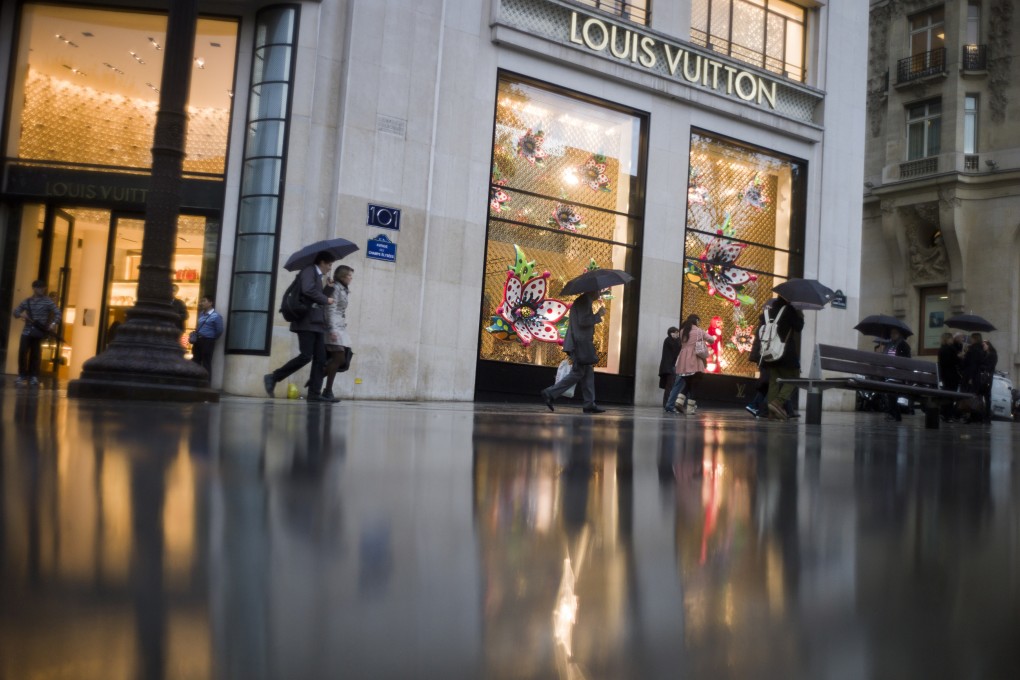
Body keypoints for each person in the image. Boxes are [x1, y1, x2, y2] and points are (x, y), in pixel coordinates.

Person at [264, 251, 336, 402]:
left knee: (320, 358)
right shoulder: (309, 271)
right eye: (329, 265)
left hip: (315, 323)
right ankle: (274, 377)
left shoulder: (316, 275)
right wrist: (325, 298)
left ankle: (314, 394)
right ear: (322, 262)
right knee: (306, 356)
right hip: (305, 322)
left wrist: (328, 289)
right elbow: (307, 290)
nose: (329, 268)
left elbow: (313, 297)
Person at [541, 290, 606, 414]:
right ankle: (550, 392)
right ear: (591, 289)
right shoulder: (584, 301)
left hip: (581, 344)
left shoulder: (584, 301)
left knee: (587, 373)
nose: (599, 294)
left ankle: (589, 403)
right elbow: (583, 321)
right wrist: (599, 315)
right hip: (579, 344)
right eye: (597, 291)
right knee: (578, 373)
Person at [760, 295, 804, 421]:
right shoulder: (789, 310)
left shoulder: (768, 311)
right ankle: (778, 402)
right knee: (794, 377)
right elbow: (799, 327)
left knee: (774, 380)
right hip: (785, 351)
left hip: (769, 351)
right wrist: (799, 314)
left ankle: (771, 413)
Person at [12, 279, 60, 387]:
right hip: (27, 331)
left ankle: (34, 376)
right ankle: (22, 375)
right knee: (22, 352)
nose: (41, 289)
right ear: (34, 288)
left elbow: (58, 313)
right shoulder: (27, 301)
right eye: (39, 287)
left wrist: (53, 324)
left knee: (36, 354)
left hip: (38, 331)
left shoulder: (48, 301)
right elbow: (15, 312)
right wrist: (21, 315)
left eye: (43, 287)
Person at [321, 264, 354, 402]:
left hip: (340, 327)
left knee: (343, 358)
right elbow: (330, 309)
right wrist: (333, 329)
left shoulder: (343, 289)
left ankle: (318, 382)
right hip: (333, 328)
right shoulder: (335, 288)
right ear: (342, 276)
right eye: (349, 275)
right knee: (339, 358)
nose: (351, 278)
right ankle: (326, 390)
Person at [664, 314, 708, 414]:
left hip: (681, 362)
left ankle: (678, 403)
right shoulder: (697, 332)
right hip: (690, 363)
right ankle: (673, 405)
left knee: (685, 384)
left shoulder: (683, 331)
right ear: (696, 321)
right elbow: (708, 340)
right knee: (684, 384)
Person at [881, 326, 912, 421]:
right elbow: (884, 359)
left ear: (900, 334)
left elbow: (906, 362)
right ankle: (893, 414)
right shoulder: (888, 345)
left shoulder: (904, 346)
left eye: (895, 333)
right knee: (889, 388)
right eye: (891, 333)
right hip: (887, 375)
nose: (893, 335)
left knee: (891, 388)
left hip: (898, 375)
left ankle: (893, 413)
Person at [189, 295, 224, 373]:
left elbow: (219, 330)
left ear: (210, 303)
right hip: (198, 340)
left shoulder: (216, 316)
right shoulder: (201, 314)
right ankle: (195, 381)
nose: (201, 303)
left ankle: (205, 382)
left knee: (206, 362)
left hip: (208, 341)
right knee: (195, 360)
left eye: (204, 301)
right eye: (201, 301)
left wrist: (211, 338)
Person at [936, 331, 962, 421]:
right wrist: (960, 356)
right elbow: (955, 361)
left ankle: (943, 413)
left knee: (946, 394)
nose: (952, 340)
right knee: (951, 395)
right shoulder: (950, 349)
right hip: (952, 376)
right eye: (951, 338)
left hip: (944, 375)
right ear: (947, 339)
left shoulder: (941, 349)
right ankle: (948, 414)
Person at [657, 326, 681, 409]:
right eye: (675, 332)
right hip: (669, 367)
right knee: (669, 387)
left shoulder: (672, 341)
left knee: (670, 386)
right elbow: (675, 350)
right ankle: (667, 404)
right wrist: (678, 340)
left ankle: (668, 404)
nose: (677, 334)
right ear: (671, 333)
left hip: (671, 367)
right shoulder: (668, 340)